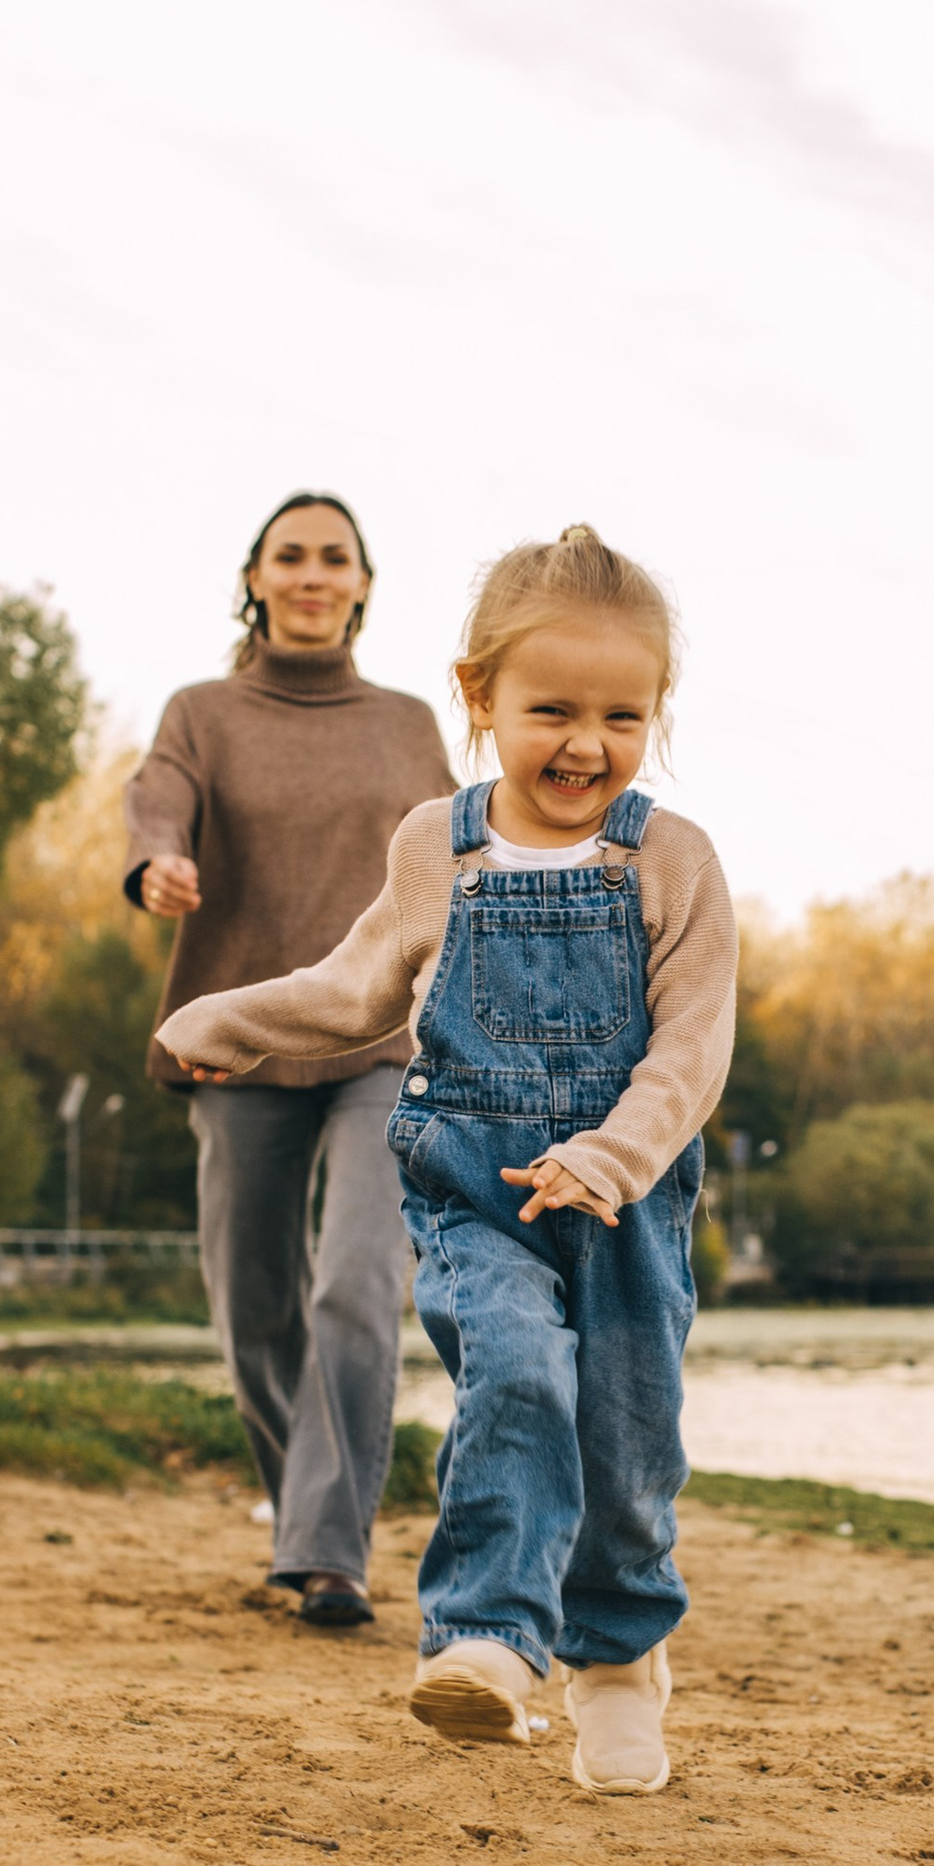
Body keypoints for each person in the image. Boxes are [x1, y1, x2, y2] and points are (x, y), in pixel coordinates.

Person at [158, 525, 734, 1799]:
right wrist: (228, 1021)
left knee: (628, 1449)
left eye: (622, 715)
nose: (586, 744)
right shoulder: (438, 846)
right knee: (516, 1375)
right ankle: (484, 1635)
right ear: (479, 697)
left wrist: (615, 1153)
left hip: (624, 1207)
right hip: (474, 1190)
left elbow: (694, 1049)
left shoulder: (671, 861)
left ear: (656, 715)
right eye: (551, 710)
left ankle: (619, 1662)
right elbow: (359, 988)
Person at [125, 493, 452, 1631]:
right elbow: (156, 798)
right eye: (291, 556)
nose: (313, 574)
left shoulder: (409, 722)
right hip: (241, 1032)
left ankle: (329, 1554)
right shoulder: (203, 712)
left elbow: (458, 856)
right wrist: (157, 860)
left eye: (335, 558)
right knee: (254, 1303)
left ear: (363, 585)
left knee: (355, 1280)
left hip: (384, 1037)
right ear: (255, 579)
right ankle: (309, 1518)